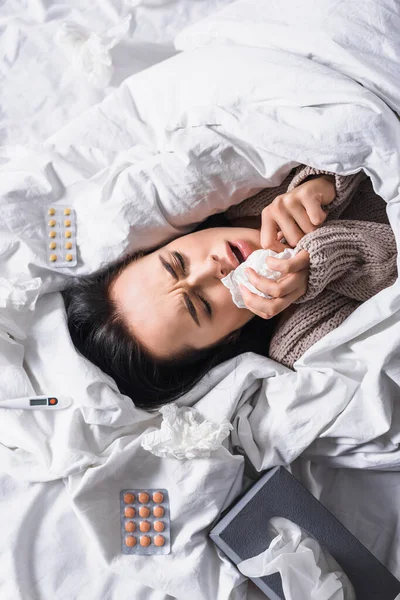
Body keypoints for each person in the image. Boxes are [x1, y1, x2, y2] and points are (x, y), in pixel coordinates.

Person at [64, 166, 397, 409]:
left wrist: (324, 179)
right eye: (202, 304)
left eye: (177, 262)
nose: (212, 267)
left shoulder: (237, 182)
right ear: (227, 340)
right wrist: (324, 260)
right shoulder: (303, 341)